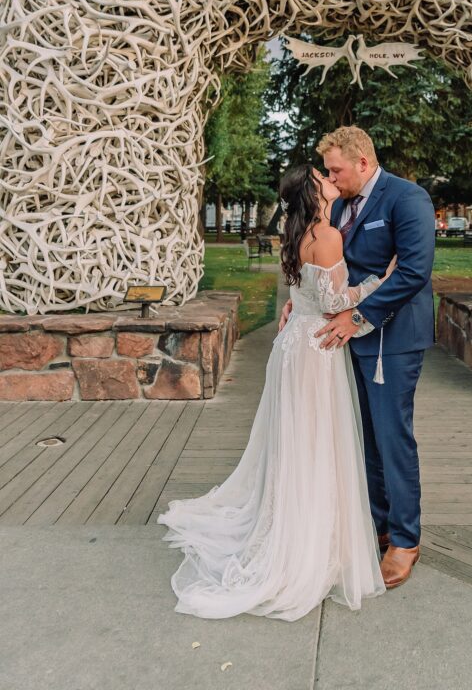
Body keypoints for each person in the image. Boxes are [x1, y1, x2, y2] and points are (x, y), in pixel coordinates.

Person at [157, 163, 394, 621]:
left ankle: (300, 521)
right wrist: (380, 280)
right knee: (316, 441)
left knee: (298, 441)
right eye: (322, 176)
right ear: (314, 190)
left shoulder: (296, 231)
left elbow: (305, 292)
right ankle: (310, 541)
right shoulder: (326, 235)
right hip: (316, 349)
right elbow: (335, 303)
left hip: (293, 347)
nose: (330, 177)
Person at [278, 126, 436, 590]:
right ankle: (378, 525)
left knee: (393, 439)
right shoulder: (341, 204)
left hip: (391, 339)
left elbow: (412, 272)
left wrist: (358, 316)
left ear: (363, 163)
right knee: (363, 439)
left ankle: (406, 541)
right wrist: (301, 299)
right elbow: (325, 267)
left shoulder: (407, 199)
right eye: (328, 171)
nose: (331, 177)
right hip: (345, 340)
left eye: (336, 169)